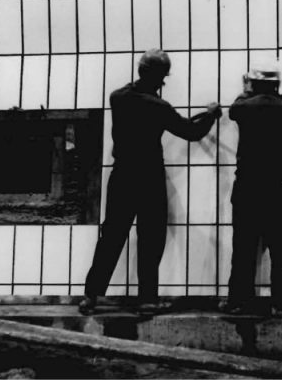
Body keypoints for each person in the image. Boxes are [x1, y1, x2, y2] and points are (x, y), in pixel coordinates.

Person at [79, 49, 221, 315]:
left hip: (122, 175)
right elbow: (190, 131)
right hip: (149, 177)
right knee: (151, 238)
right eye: (163, 78)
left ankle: (91, 296)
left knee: (111, 237)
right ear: (158, 77)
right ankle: (147, 300)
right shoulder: (158, 106)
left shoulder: (118, 98)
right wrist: (211, 114)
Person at [221, 59, 282, 318]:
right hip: (280, 185)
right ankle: (281, 303)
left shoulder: (243, 107)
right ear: (277, 83)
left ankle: (238, 301)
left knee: (244, 247)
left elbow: (233, 109)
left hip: (249, 186)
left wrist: (246, 88)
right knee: (280, 250)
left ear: (254, 82)